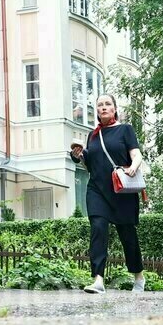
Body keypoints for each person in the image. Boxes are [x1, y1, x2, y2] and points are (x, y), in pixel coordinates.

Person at [69, 94, 146, 293]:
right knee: (98, 229)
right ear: (97, 110)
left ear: (114, 108)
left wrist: (133, 167)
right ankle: (98, 280)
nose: (104, 107)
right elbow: (90, 165)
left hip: (121, 190)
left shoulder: (125, 130)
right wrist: (79, 156)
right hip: (97, 189)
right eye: (100, 105)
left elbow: (136, 154)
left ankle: (138, 275)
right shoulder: (93, 135)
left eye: (107, 104)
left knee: (128, 235)